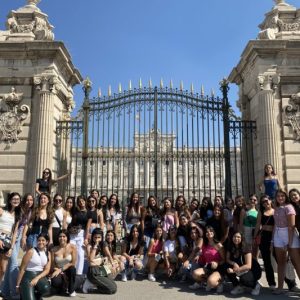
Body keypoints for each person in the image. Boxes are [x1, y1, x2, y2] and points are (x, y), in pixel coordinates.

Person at [3, 193, 34, 299]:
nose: (29, 202)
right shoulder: (18, 210)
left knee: (10, 265)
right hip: (9, 237)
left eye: (31, 200)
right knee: (13, 264)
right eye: (27, 200)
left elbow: (25, 225)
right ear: (23, 201)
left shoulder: (29, 211)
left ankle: (5, 291)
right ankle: (15, 292)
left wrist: (23, 237)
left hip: (17, 236)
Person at [273, 190, 300, 294]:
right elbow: (275, 224)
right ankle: (280, 287)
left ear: (285, 197)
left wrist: (289, 242)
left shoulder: (289, 207)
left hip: (290, 236)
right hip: (278, 235)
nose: (280, 198)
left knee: (297, 263)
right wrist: (272, 240)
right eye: (278, 196)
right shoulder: (276, 208)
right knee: (281, 263)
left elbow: (291, 227)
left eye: (282, 196)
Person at [16, 233, 51, 300]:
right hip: (28, 276)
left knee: (46, 289)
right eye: (39, 240)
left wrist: (37, 278)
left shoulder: (48, 253)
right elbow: (22, 269)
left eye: (43, 240)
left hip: (39, 275)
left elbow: (47, 269)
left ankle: (36, 296)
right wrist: (17, 285)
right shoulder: (31, 251)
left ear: (47, 242)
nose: (41, 242)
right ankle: (25, 293)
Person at [190, 226, 225, 292]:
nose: (209, 233)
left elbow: (224, 260)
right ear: (205, 234)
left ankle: (219, 283)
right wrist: (198, 256)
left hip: (219, 268)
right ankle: (201, 283)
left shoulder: (219, 245)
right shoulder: (205, 245)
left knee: (211, 282)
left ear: (213, 233)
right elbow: (203, 257)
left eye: (210, 231)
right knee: (194, 273)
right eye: (207, 232)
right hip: (208, 267)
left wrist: (217, 262)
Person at [226, 231, 262, 296]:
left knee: (244, 277)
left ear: (242, 238)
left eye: (238, 237)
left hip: (253, 271)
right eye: (234, 236)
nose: (236, 238)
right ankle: (239, 286)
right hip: (241, 269)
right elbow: (227, 259)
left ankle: (256, 285)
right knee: (226, 267)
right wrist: (234, 263)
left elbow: (248, 266)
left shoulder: (245, 248)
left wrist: (234, 270)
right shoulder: (231, 246)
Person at [83, 228, 117, 294]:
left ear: (102, 237)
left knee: (114, 286)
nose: (97, 239)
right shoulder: (89, 246)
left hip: (102, 269)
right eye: (95, 237)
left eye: (99, 237)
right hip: (93, 272)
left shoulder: (103, 244)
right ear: (92, 237)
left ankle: (93, 284)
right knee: (112, 289)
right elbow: (91, 261)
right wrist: (95, 247)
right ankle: (90, 288)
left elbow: (108, 254)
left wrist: (113, 264)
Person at [253, 194, 276, 289]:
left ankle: (290, 283)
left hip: (275, 236)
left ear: (270, 200)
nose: (265, 203)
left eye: (266, 200)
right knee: (266, 261)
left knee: (280, 260)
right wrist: (254, 238)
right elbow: (258, 225)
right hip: (264, 237)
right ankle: (271, 283)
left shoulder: (276, 211)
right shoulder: (261, 212)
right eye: (263, 202)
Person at [0, 193, 21, 284]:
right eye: (14, 199)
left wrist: (11, 248)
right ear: (10, 200)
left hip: (8, 239)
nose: (16, 201)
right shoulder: (2, 211)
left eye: (18, 199)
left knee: (3, 269)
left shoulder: (17, 215)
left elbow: (15, 233)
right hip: (0, 236)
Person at [51, 229, 77, 297]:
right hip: (58, 270)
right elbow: (53, 265)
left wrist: (61, 269)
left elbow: (73, 263)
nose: (62, 238)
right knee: (56, 282)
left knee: (72, 269)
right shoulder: (54, 249)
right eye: (60, 236)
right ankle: (62, 287)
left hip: (68, 270)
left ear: (67, 237)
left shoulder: (73, 247)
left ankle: (71, 290)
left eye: (64, 236)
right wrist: (58, 271)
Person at [69, 195, 88, 275]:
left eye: (82, 200)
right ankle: (72, 272)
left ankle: (79, 274)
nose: (81, 202)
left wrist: (86, 237)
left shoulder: (88, 212)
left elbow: (88, 225)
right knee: (72, 253)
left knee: (80, 254)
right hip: (73, 233)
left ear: (85, 201)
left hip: (81, 234)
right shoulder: (75, 211)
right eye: (79, 201)